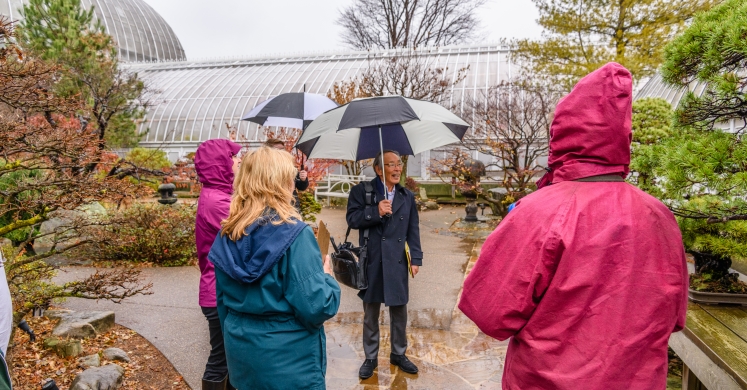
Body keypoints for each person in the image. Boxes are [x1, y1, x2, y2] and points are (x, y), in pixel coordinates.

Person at [458, 63, 689, 390]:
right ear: (625, 138)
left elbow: (489, 313)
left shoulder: (540, 211)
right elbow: (675, 319)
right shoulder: (661, 217)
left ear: (562, 134)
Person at [208, 146, 340, 390]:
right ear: (279, 183)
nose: (292, 182)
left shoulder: (227, 234)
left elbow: (222, 304)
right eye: (289, 177)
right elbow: (317, 306)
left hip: (242, 360)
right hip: (290, 366)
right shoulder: (296, 236)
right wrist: (328, 278)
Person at [346, 150, 423, 379]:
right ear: (379, 169)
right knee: (371, 312)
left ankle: (398, 354)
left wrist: (416, 259)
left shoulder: (406, 196)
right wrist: (375, 212)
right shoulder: (362, 191)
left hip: (397, 261)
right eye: (391, 165)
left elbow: (413, 230)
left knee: (399, 310)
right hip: (372, 260)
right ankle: (370, 357)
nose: (397, 168)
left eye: (398, 164)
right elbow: (352, 219)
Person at [194, 139, 242, 390]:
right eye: (233, 158)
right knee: (221, 361)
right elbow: (249, 232)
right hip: (217, 293)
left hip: (219, 290)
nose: (238, 161)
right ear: (220, 164)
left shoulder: (219, 194)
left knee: (231, 359)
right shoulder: (217, 202)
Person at [265, 138, 309, 209]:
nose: (281, 152)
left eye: (282, 150)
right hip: (271, 208)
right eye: (277, 150)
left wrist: (303, 179)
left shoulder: (290, 167)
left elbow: (301, 187)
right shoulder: (262, 169)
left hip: (291, 207)